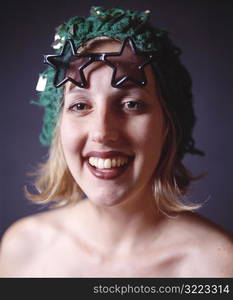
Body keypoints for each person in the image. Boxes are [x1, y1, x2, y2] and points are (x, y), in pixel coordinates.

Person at [0, 6, 232, 277]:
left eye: (132, 104)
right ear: (58, 126)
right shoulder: (23, 250)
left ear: (168, 124)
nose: (102, 132)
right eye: (80, 106)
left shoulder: (217, 267)